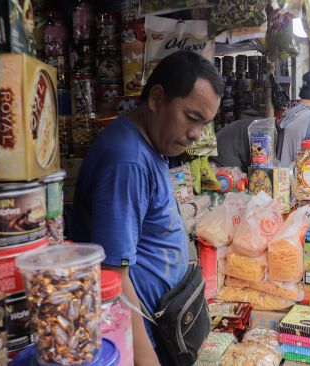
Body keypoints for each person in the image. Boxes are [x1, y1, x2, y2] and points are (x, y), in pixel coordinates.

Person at [71, 50, 222, 365]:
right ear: (156, 98)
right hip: (145, 343)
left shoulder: (150, 147)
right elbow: (114, 277)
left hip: (163, 330)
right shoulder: (127, 160)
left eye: (204, 124)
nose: (196, 134)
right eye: (192, 118)